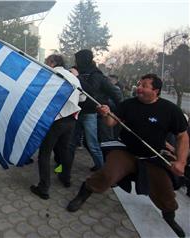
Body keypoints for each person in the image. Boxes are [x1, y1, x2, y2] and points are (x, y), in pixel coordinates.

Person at [67, 74, 189, 238]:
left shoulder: (170, 110)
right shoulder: (128, 104)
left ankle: (170, 218)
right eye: (139, 84)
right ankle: (82, 195)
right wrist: (105, 114)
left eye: (145, 85)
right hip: (125, 150)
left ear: (156, 91)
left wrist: (181, 161)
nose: (139, 87)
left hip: (152, 157)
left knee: (165, 191)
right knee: (106, 174)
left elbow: (182, 136)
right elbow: (111, 123)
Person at [30, 54, 86, 200]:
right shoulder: (73, 77)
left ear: (53, 62)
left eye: (46, 62)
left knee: (45, 153)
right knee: (65, 150)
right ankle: (65, 178)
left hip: (55, 120)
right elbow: (83, 98)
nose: (45, 64)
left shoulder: (52, 74)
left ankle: (44, 187)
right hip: (71, 120)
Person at [69, 49, 122, 172]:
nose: (76, 62)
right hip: (76, 111)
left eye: (78, 59)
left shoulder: (96, 75)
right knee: (71, 144)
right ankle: (64, 171)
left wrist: (118, 111)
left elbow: (91, 91)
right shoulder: (76, 71)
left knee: (92, 144)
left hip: (90, 113)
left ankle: (103, 170)